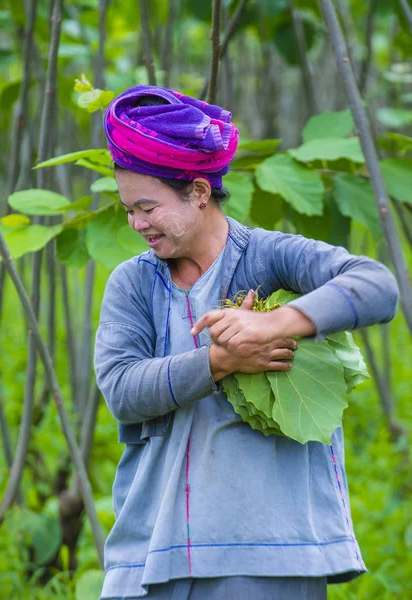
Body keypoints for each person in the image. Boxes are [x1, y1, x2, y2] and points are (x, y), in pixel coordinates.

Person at [94, 85, 399, 600]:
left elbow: (377, 286)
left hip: (268, 548)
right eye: (128, 209)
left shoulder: (268, 255)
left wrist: (279, 322)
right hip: (151, 550)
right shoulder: (133, 283)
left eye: (147, 207)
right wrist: (217, 360)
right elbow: (122, 389)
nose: (136, 223)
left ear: (198, 192)